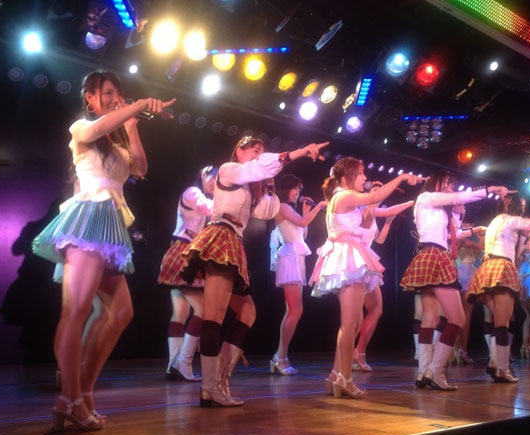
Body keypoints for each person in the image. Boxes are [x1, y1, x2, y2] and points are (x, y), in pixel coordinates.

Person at [32, 70, 175, 431]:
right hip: (86, 220)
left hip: (109, 228)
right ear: (91, 99)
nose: (114, 98)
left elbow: (140, 167)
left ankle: (83, 392)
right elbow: (98, 129)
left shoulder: (117, 145)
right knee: (75, 310)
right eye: (108, 93)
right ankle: (68, 399)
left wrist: (132, 125)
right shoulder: (82, 128)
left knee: (121, 312)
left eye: (118, 94)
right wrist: (138, 106)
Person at [181, 136, 328, 407]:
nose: (259, 154)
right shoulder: (229, 170)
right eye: (255, 150)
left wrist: (269, 181)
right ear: (239, 151)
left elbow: (268, 209)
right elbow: (257, 168)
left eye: (262, 151)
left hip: (234, 241)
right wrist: (296, 153)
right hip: (221, 235)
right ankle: (209, 387)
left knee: (248, 312)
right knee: (214, 315)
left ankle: (219, 380)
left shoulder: (251, 187)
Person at [310, 158, 423, 398]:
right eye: (360, 174)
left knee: (354, 322)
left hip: (351, 253)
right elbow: (375, 197)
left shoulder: (346, 199)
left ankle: (336, 375)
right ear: (345, 177)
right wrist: (402, 177)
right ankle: (344, 378)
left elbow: (367, 220)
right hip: (347, 256)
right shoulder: (343, 196)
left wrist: (377, 202)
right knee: (349, 323)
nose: (364, 178)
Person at [400, 171, 510, 390]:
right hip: (435, 256)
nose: (451, 188)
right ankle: (436, 371)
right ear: (436, 182)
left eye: (453, 185)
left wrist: (459, 215)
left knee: (430, 317)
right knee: (457, 318)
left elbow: (451, 236)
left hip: (432, 254)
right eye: (448, 183)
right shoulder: (427, 197)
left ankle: (423, 371)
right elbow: (458, 198)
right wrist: (490, 189)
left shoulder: (438, 208)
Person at [468, 194, 530, 382]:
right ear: (511, 205)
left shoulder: (495, 222)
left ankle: (495, 362)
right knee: (503, 323)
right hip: (502, 267)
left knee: (499, 320)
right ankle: (502, 369)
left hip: (488, 267)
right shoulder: (510, 220)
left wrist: (524, 240)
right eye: (522, 206)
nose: (523, 210)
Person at [159, 165, 217, 381]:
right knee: (202, 309)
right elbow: (209, 208)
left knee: (180, 313)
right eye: (214, 179)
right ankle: (183, 363)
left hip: (185, 252)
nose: (215, 184)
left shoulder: (200, 196)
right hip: (183, 252)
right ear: (203, 175)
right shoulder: (193, 192)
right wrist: (226, 196)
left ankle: (173, 365)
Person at [268, 174, 326, 375]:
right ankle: (280, 357)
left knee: (292, 310)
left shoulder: (290, 209)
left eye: (299, 190)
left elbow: (303, 232)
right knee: (295, 310)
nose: (298, 193)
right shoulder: (282, 206)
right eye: (295, 189)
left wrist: (306, 212)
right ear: (287, 189)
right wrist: (319, 207)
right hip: (290, 257)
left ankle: (280, 356)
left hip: (296, 257)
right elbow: (300, 225)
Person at [353, 182, 414, 371]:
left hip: (367, 261)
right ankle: (354, 354)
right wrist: (414, 201)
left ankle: (358, 351)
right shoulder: (360, 208)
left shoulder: (373, 210)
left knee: (376, 309)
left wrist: (388, 222)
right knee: (357, 314)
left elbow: (379, 239)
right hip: (356, 260)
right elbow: (386, 210)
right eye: (376, 191)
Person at [453, 209, 486, 365]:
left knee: (466, 315)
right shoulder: (456, 236)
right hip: (458, 273)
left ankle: (461, 350)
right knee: (458, 315)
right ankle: (457, 350)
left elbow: (482, 249)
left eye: (470, 225)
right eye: (465, 224)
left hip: (468, 274)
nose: (467, 227)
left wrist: (479, 239)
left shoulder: (471, 239)